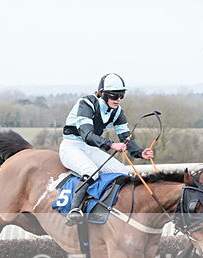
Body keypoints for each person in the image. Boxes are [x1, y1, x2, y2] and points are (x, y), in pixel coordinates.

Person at [60, 73, 154, 225]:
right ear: (102, 93)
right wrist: (111, 144)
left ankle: (112, 208)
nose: (118, 99)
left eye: (121, 95)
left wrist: (139, 152)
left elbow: (125, 137)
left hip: (90, 149)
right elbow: (87, 135)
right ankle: (75, 209)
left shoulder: (118, 111)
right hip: (71, 146)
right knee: (90, 171)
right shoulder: (87, 103)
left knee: (122, 172)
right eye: (114, 95)